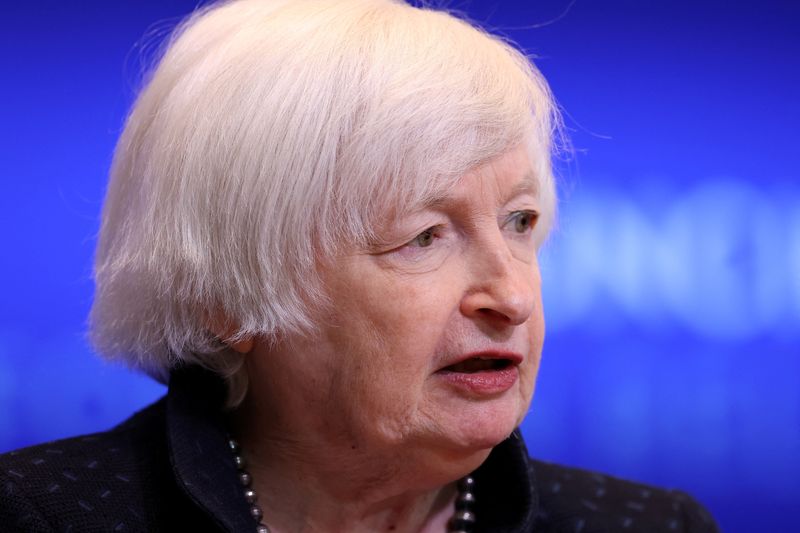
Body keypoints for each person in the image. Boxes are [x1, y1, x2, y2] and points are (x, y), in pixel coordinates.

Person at [0, 0, 720, 531]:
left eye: (519, 222)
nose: (511, 295)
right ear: (231, 296)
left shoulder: (646, 524)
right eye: (425, 236)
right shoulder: (44, 517)